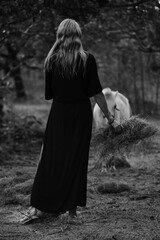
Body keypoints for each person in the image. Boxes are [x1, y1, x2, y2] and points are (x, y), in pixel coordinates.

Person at [21, 19, 121, 224]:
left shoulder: (51, 60)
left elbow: (49, 95)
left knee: (52, 158)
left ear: (59, 35)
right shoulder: (88, 59)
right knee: (76, 160)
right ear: (78, 35)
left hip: (59, 113)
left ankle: (41, 205)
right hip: (80, 114)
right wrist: (110, 118)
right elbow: (96, 92)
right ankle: (71, 212)